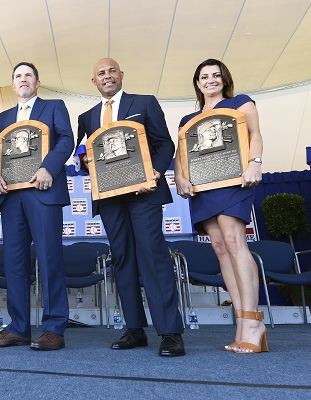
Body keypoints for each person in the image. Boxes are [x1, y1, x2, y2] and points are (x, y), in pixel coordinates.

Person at [75, 58, 185, 357]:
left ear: (121, 75)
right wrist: (83, 161)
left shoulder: (145, 103)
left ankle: (170, 332)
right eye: (101, 73)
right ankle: (134, 329)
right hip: (110, 197)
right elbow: (81, 153)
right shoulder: (86, 117)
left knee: (153, 255)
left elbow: (164, 144)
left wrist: (157, 173)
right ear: (93, 81)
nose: (107, 76)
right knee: (122, 258)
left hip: (145, 192)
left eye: (112, 71)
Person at [0, 62, 74, 351]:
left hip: (43, 191)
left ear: (37, 82)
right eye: (18, 76)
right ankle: (18, 327)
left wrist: (48, 168)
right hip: (11, 197)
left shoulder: (54, 106)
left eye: (28, 75)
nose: (23, 80)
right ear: (12, 85)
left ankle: (54, 328)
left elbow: (67, 140)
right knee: (15, 264)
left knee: (49, 260)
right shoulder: (3, 117)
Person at [174, 59, 264, 354]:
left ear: (224, 79)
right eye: (204, 76)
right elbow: (180, 155)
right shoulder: (188, 119)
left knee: (234, 242)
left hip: (234, 180)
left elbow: (254, 135)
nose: (210, 80)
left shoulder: (241, 102)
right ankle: (241, 323)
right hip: (202, 187)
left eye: (216, 75)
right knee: (220, 248)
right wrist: (179, 178)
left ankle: (254, 322)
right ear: (197, 83)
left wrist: (254, 163)